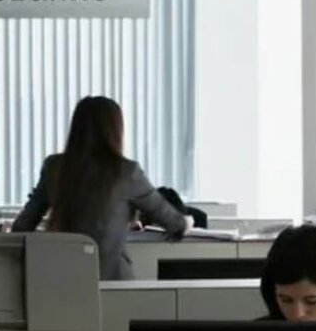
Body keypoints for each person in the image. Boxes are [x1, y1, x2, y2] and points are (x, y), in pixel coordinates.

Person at [11, 95, 188, 280]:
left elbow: (23, 225)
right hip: (112, 281)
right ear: (115, 130)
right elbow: (172, 222)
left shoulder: (54, 167)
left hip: (62, 279)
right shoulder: (126, 171)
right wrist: (186, 222)